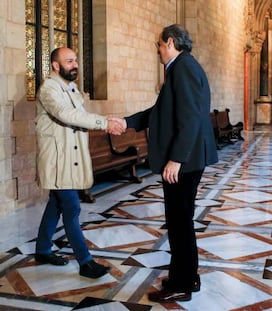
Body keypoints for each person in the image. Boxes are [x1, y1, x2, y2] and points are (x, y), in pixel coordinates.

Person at [116, 24, 218, 302]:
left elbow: (189, 117)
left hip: (183, 161)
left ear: (170, 42)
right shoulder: (183, 67)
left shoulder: (182, 68)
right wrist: (127, 122)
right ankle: (186, 277)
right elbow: (160, 111)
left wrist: (176, 159)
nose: (158, 50)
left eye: (159, 45)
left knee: (179, 223)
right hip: (188, 159)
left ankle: (182, 283)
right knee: (181, 221)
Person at [34, 47, 125, 278]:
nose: (75, 64)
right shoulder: (49, 90)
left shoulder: (71, 87)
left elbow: (78, 118)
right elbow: (67, 115)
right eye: (69, 61)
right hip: (57, 160)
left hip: (70, 158)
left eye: (76, 60)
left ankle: (43, 249)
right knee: (72, 206)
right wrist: (103, 122)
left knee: (56, 203)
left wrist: (103, 122)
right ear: (55, 65)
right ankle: (85, 262)